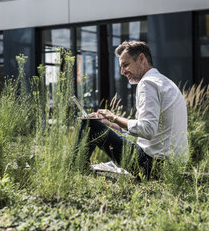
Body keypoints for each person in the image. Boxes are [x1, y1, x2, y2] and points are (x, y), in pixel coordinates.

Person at [75, 41, 188, 177]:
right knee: (97, 125)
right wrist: (109, 123)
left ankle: (74, 170)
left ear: (141, 59)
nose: (122, 72)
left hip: (153, 166)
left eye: (126, 65)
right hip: (171, 166)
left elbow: (147, 130)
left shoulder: (147, 83)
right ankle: (78, 168)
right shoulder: (165, 82)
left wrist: (114, 117)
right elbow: (152, 128)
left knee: (90, 125)